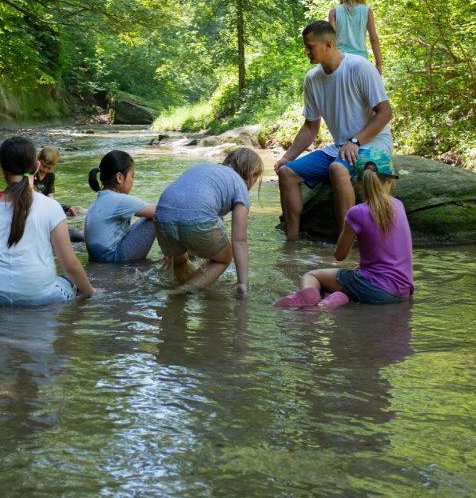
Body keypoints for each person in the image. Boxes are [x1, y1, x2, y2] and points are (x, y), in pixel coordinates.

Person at [275, 20, 393, 242]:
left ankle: (345, 242)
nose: (306, 51)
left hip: (373, 144)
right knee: (287, 174)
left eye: (310, 46)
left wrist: (355, 141)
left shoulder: (360, 67)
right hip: (341, 147)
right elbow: (311, 127)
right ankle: (291, 242)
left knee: (338, 168)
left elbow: (385, 113)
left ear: (328, 44)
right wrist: (286, 157)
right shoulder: (312, 79)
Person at [275, 149, 413, 308]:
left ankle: (309, 301)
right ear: (390, 181)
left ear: (359, 182)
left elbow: (340, 255)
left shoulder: (357, 212)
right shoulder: (399, 206)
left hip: (375, 289)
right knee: (346, 281)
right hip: (403, 291)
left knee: (314, 276)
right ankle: (329, 303)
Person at [0, 137, 94, 307]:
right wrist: (91, 293)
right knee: (73, 284)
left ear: (4, 171)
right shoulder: (50, 206)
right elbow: (70, 265)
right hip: (37, 295)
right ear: (36, 166)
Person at [154, 147, 263, 298]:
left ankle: (187, 287)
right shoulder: (240, 185)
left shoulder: (205, 168)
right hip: (196, 218)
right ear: (251, 175)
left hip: (162, 216)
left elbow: (186, 199)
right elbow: (239, 240)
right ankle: (179, 292)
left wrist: (169, 251)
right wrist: (242, 284)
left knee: (181, 261)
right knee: (224, 258)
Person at [84, 150, 157, 262]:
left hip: (98, 258)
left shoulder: (100, 199)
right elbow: (160, 211)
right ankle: (176, 255)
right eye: (132, 176)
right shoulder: (118, 199)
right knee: (153, 219)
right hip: (114, 259)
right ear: (120, 177)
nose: (132, 181)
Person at [328, 0, 383, 75]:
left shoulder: (334, 13)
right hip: (361, 61)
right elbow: (374, 39)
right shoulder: (367, 11)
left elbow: (331, 41)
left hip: (339, 60)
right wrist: (379, 64)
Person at [34, 146, 85, 217]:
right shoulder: (32, 172)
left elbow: (50, 195)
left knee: (78, 209)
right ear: (38, 159)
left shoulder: (50, 175)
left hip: (46, 204)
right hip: (34, 205)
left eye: (49, 168)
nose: (45, 170)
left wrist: (54, 207)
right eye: (43, 166)